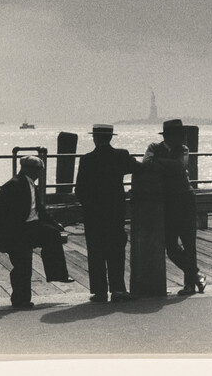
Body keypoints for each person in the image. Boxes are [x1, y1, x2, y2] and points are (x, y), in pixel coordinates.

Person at [0, 155, 74, 309]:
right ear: (28, 169)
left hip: (33, 225)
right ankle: (20, 299)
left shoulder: (31, 185)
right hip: (17, 231)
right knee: (23, 264)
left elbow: (40, 210)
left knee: (53, 234)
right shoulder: (13, 185)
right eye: (37, 170)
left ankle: (57, 274)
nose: (39, 173)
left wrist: (56, 225)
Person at [75, 124, 142, 303]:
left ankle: (99, 292)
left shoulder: (86, 159)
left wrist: (89, 207)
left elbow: (79, 189)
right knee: (116, 250)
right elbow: (139, 168)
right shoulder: (121, 156)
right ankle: (118, 289)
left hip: (93, 213)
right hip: (114, 210)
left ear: (94, 138)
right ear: (111, 137)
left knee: (95, 251)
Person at [142, 119, 206, 295]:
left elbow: (179, 166)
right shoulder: (154, 146)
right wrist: (167, 165)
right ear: (169, 136)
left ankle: (189, 285)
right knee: (171, 246)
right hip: (167, 202)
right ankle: (196, 274)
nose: (181, 138)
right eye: (178, 135)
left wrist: (159, 163)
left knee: (189, 242)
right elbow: (146, 163)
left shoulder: (182, 149)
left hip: (185, 200)